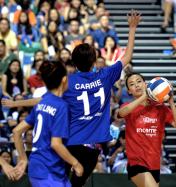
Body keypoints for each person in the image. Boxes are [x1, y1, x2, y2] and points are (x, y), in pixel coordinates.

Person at [3, 10, 141, 187]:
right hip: (91, 148)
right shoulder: (105, 76)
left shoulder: (68, 82)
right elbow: (127, 57)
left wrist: (16, 103)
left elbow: (43, 101)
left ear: (74, 63)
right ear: (94, 60)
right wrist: (132, 28)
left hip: (68, 145)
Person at [12, 60, 84, 186]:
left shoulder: (42, 103)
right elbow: (56, 144)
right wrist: (76, 163)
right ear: (64, 80)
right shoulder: (61, 106)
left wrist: (23, 159)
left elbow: (17, 131)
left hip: (42, 168)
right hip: (48, 170)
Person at [118, 72, 176, 187]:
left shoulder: (160, 108)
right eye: (132, 84)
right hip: (136, 162)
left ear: (146, 84)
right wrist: (145, 96)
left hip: (154, 162)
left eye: (139, 81)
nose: (137, 85)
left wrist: (171, 103)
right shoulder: (128, 106)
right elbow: (121, 113)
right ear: (129, 91)